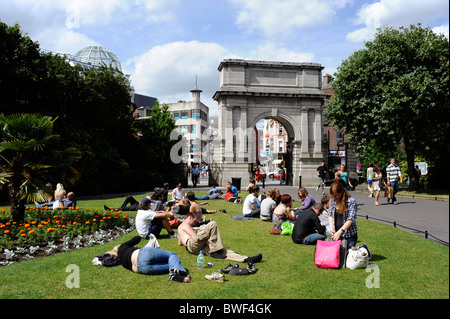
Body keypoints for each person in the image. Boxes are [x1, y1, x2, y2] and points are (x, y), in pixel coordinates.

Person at [178, 211, 263, 263]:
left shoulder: (181, 228)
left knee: (223, 250)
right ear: (189, 217)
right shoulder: (184, 224)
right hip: (192, 244)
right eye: (194, 221)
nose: (194, 223)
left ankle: (246, 259)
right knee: (212, 224)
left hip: (193, 248)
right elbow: (193, 235)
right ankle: (214, 252)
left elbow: (180, 243)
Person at [108, 236, 190, 282]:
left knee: (171, 265)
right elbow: (136, 238)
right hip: (142, 255)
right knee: (172, 255)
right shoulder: (122, 247)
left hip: (142, 269)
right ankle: (181, 271)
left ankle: (174, 276)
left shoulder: (122, 262)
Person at [328, 181, 358, 249]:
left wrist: (340, 232)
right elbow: (330, 215)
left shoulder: (351, 201)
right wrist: (331, 228)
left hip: (349, 234)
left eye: (336, 195)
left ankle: (363, 250)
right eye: (333, 195)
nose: (334, 197)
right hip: (337, 233)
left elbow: (350, 220)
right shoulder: (332, 201)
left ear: (341, 192)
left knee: (347, 255)